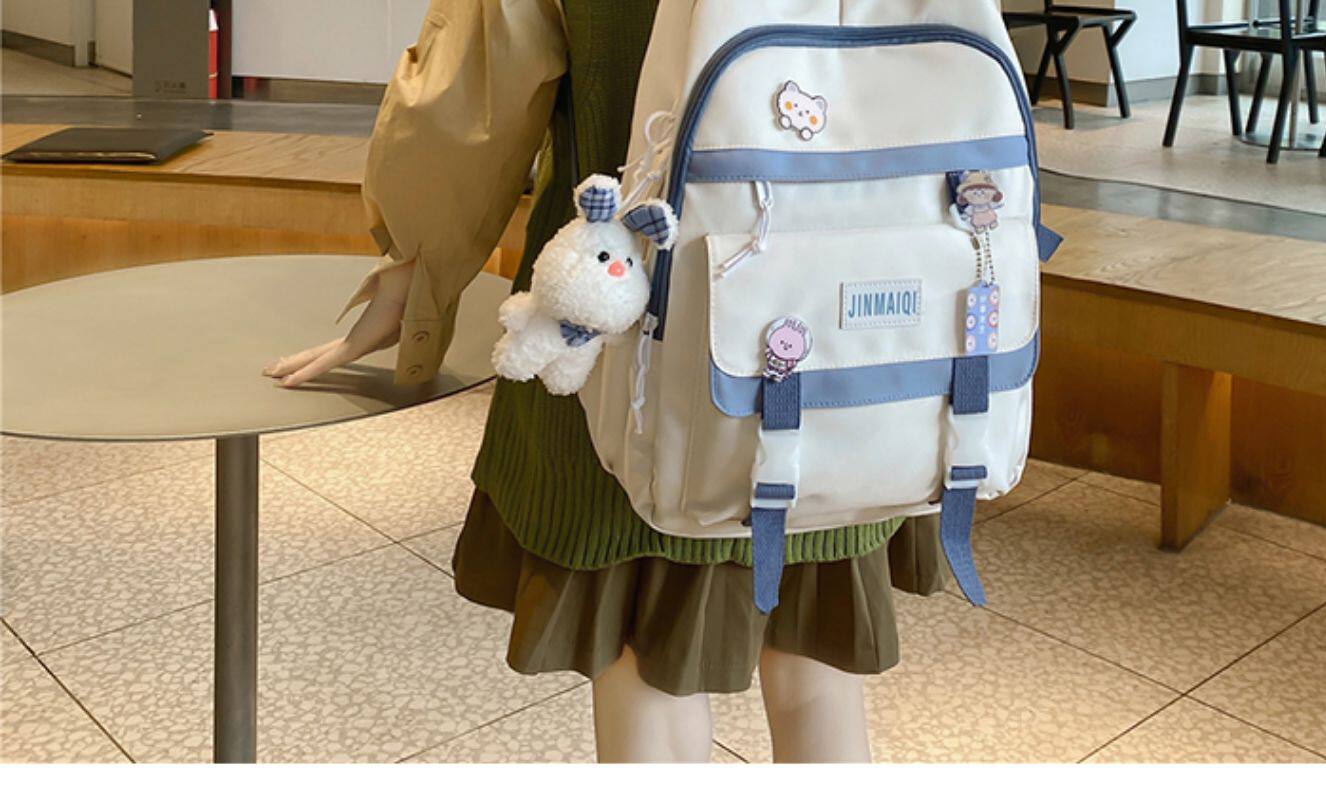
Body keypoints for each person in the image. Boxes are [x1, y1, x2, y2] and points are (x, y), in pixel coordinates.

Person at [264, 0, 950, 763]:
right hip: (852, 338)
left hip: (632, 336)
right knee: (813, 661)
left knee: (644, 660)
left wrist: (413, 275)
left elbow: (471, 98)